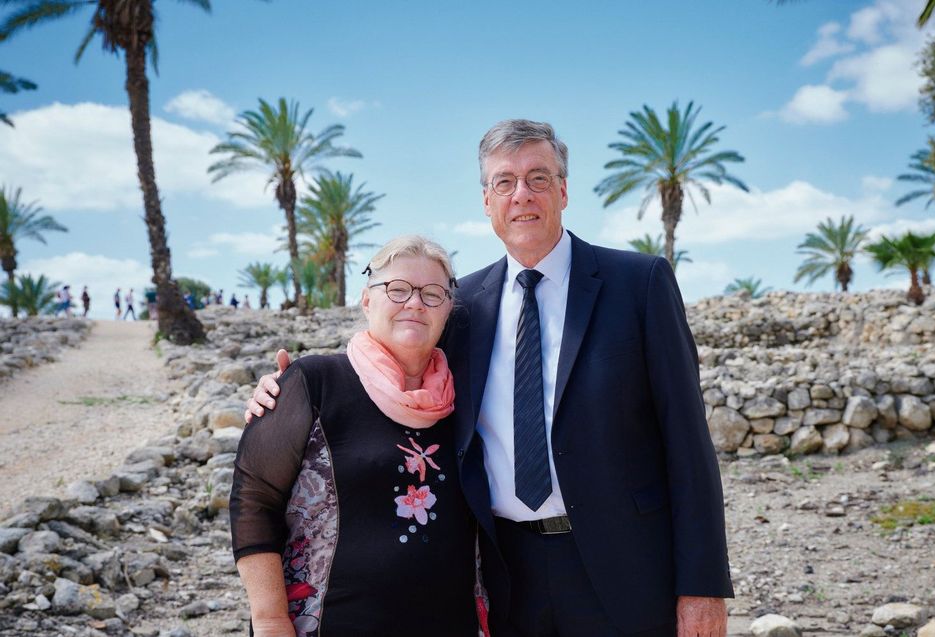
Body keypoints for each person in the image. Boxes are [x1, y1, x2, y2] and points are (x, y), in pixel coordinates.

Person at [246, 120, 732, 637]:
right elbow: (394, 364)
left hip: (627, 569)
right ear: (486, 201)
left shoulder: (639, 284)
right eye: (504, 182)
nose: (521, 194)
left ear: (563, 190)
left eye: (538, 178)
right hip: (504, 574)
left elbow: (688, 444)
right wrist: (290, 388)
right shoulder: (463, 308)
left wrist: (702, 588)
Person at [230, 236, 478, 637]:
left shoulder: (468, 399)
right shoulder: (315, 383)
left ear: (448, 310)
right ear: (366, 300)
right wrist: (270, 619)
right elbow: (253, 498)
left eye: (432, 294)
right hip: (329, 623)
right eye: (397, 289)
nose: (414, 303)